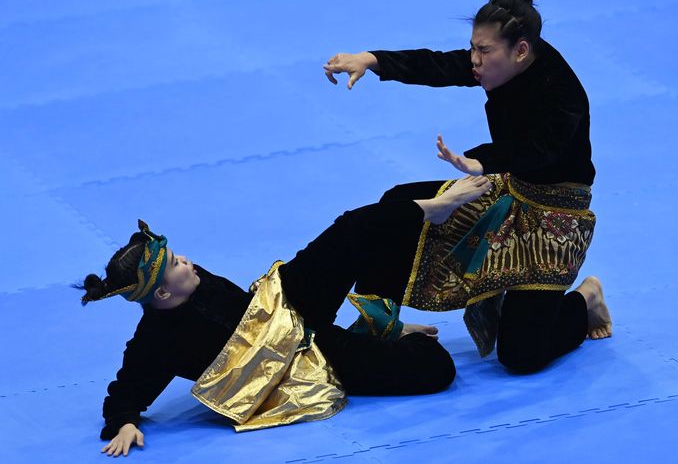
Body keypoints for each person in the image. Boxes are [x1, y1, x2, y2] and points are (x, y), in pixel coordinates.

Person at [79, 176, 496, 458]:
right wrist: (125, 423)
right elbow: (127, 388)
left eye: (177, 255)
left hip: (280, 307)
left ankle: (435, 207)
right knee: (435, 369)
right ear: (163, 293)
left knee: (351, 230)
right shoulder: (156, 341)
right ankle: (382, 334)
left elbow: (255, 307)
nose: (186, 260)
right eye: (175, 263)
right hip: (291, 365)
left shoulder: (192, 277)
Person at [323, 0, 611, 364]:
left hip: (557, 212)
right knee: (399, 204)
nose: (473, 60)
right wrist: (372, 61)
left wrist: (483, 161)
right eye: (472, 48)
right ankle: (381, 323)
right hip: (509, 186)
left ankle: (585, 298)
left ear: (521, 50)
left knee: (521, 356)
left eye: (483, 50)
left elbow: (542, 150)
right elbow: (440, 66)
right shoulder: (497, 63)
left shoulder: (562, 94)